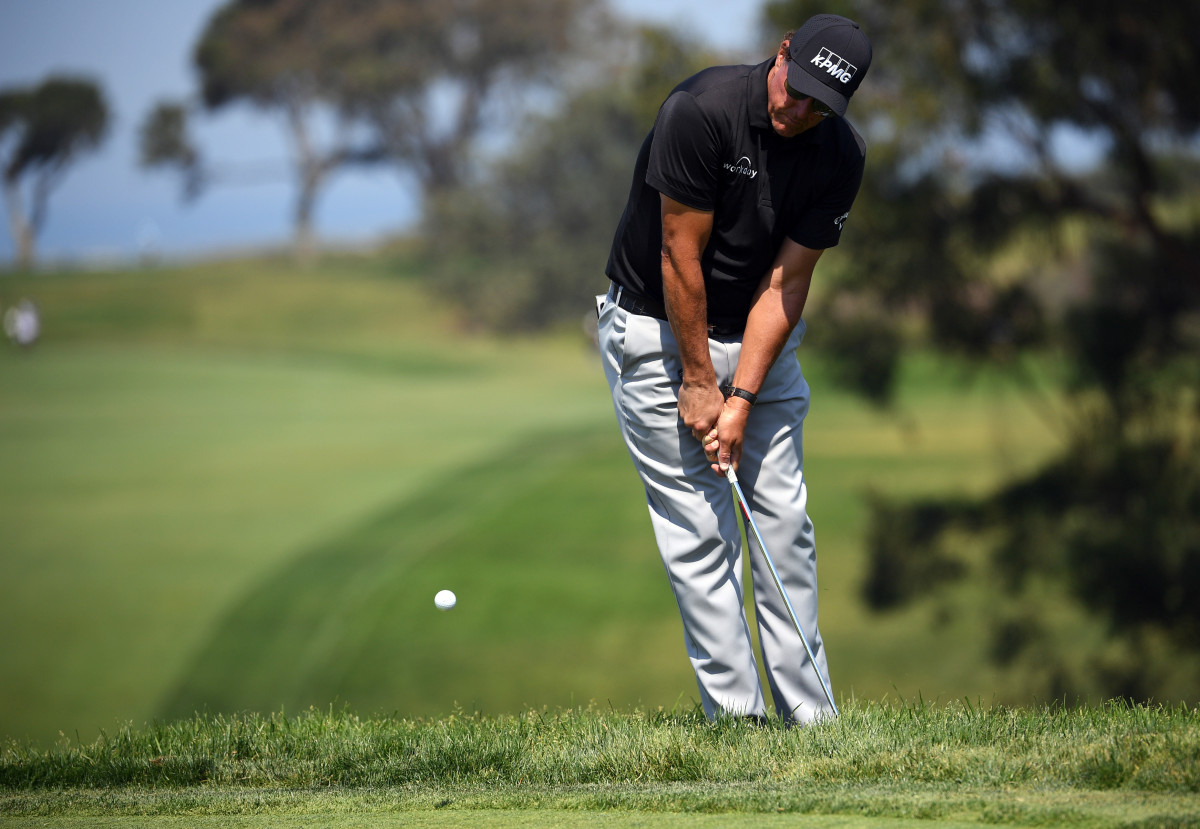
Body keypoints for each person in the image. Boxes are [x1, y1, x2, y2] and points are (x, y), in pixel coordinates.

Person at [596, 14, 872, 724]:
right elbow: (677, 259)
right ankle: (739, 724)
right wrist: (697, 380)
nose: (797, 109)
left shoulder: (840, 155)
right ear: (781, 54)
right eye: (796, 88)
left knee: (784, 522)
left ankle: (812, 724)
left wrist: (741, 393)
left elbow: (786, 285)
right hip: (660, 331)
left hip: (759, 334)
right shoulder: (700, 112)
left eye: (820, 104)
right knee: (703, 533)